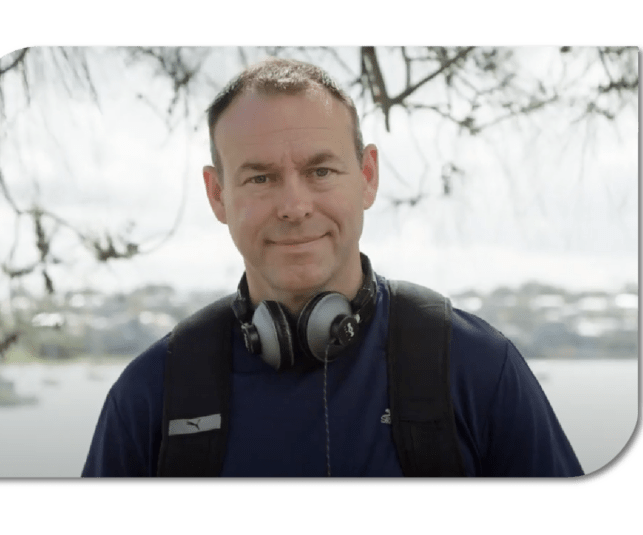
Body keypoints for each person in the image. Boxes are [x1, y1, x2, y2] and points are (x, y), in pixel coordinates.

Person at [82, 58, 583, 478]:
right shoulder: (152, 395)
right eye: (260, 178)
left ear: (367, 177)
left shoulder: (475, 368)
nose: (294, 206)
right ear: (218, 195)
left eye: (320, 171)